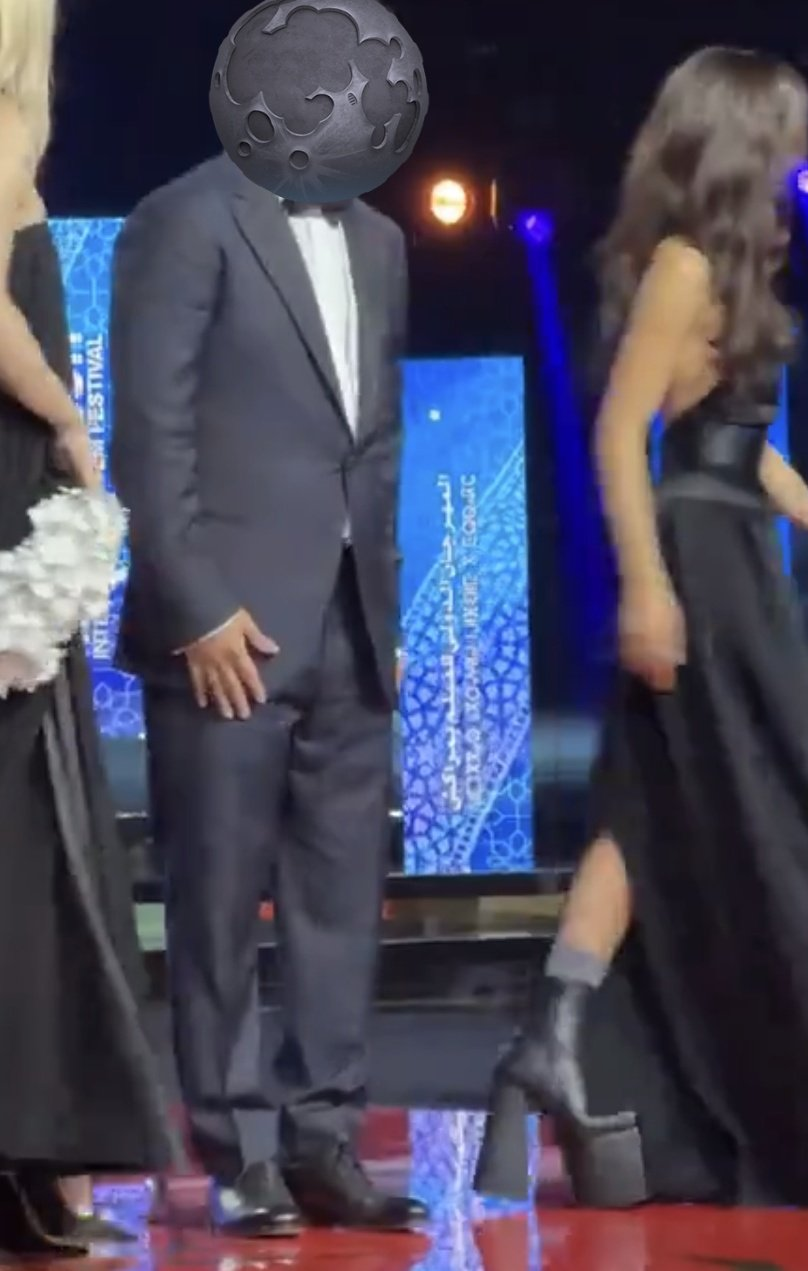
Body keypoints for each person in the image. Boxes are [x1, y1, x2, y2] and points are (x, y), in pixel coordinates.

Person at [475, 46, 808, 1212]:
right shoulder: (684, 267)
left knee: (651, 800)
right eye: (785, 129)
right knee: (758, 796)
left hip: (734, 548)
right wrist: (646, 584)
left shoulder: (732, 268)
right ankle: (579, 1040)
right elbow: (618, 432)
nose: (800, 151)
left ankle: (553, 1032)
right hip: (697, 561)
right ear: (743, 138)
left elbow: (744, 446)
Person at [109, 154, 427, 1236]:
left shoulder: (381, 240)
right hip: (226, 628)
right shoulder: (184, 216)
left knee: (340, 898)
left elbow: (375, 441)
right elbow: (149, 433)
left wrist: (384, 607)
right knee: (216, 897)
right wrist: (194, 605)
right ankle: (238, 1148)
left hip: (350, 622)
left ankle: (323, 1137)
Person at [0, 0, 173, 1256]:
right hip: (11, 477)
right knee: (27, 814)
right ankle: (34, 1151)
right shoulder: (1, 137)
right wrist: (68, 419)